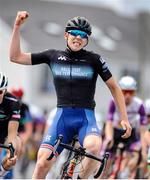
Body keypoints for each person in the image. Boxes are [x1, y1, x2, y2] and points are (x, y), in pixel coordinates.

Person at [9, 11, 132, 179]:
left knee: (95, 148)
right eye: (74, 33)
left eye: (83, 35)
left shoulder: (94, 60)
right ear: (66, 34)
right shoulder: (52, 56)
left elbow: (115, 88)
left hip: (85, 119)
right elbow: (15, 57)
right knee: (41, 164)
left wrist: (124, 118)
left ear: (87, 39)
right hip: (62, 119)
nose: (78, 37)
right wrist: (16, 27)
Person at [104, 76, 147, 179]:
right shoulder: (113, 101)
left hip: (130, 132)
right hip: (115, 131)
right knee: (107, 160)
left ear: (134, 93)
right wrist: (109, 137)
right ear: (120, 91)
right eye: (124, 92)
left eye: (131, 92)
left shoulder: (139, 104)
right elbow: (109, 122)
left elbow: (143, 130)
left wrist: (143, 148)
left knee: (135, 155)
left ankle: (125, 173)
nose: (127, 96)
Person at [0, 72, 22, 177]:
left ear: (4, 91)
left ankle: (4, 171)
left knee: (15, 148)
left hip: (6, 131)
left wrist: (10, 151)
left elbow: (12, 134)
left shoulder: (13, 102)